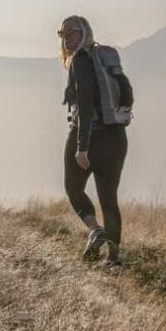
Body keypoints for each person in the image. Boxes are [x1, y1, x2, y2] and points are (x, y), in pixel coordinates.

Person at [60, 15, 132, 265]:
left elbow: (86, 104)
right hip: (116, 137)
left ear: (84, 33)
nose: (67, 38)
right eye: (63, 34)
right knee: (109, 199)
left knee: (73, 188)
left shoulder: (80, 61)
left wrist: (82, 147)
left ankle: (94, 229)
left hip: (89, 134)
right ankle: (114, 259)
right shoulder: (105, 59)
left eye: (72, 33)